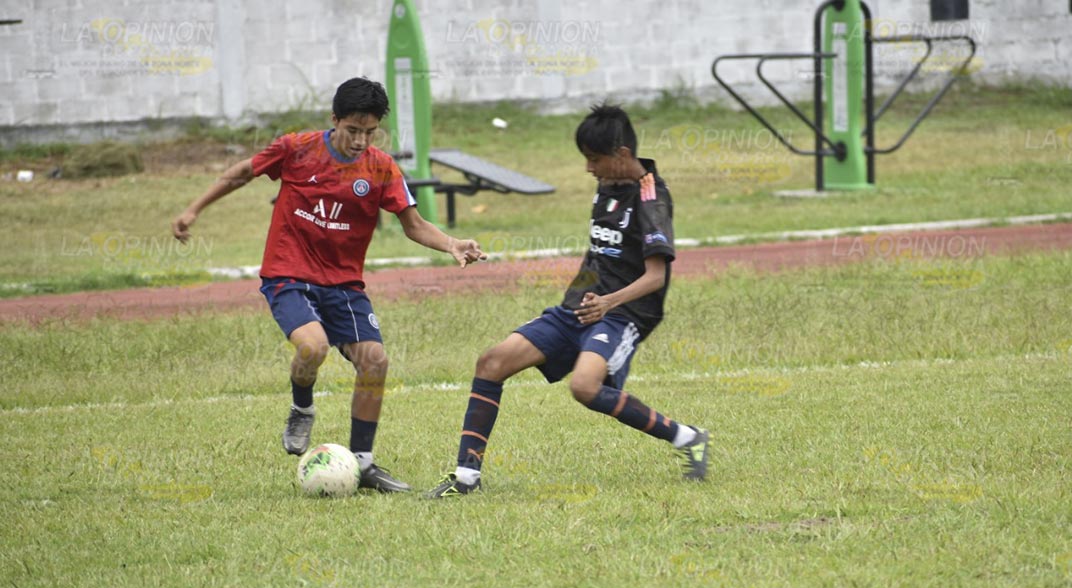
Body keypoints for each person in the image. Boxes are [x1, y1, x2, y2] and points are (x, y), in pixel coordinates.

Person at [171, 77, 486, 493]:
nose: (360, 140)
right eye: (352, 130)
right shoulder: (296, 148)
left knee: (375, 361)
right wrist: (194, 210)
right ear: (334, 120)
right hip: (288, 274)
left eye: (369, 132)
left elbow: (412, 224)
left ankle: (363, 464)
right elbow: (241, 174)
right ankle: (302, 406)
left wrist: (451, 244)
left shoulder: (380, 168)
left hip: (344, 283)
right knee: (313, 346)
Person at [425, 103, 709, 498]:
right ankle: (466, 478)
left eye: (594, 160)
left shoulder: (651, 200)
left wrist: (608, 303)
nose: (589, 169)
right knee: (491, 363)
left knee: (585, 387)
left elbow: (655, 277)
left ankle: (687, 437)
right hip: (577, 308)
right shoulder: (609, 184)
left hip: (622, 314)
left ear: (622, 155)